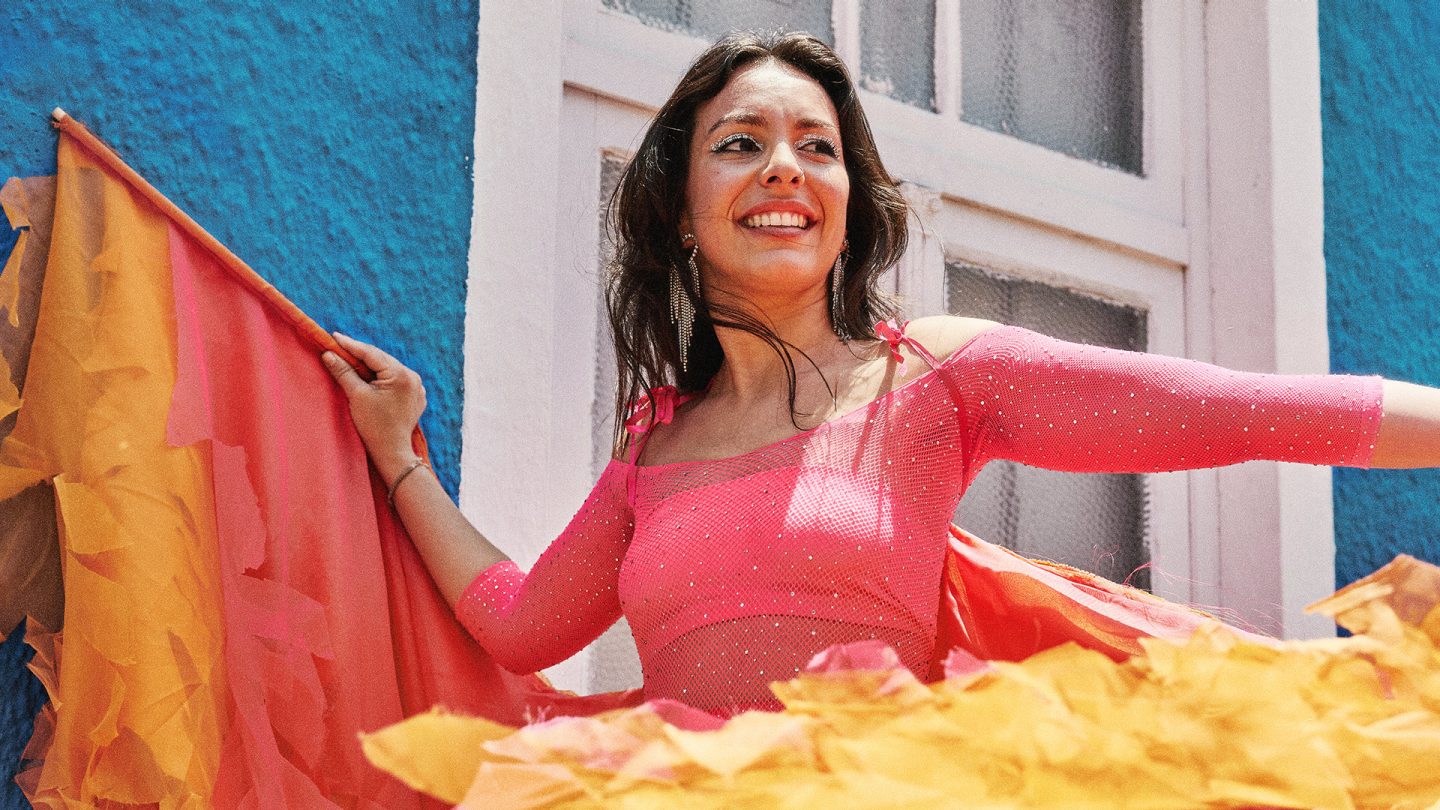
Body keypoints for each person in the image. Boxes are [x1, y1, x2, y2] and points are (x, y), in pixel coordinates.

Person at [321, 31, 1440, 718]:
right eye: (740, 141)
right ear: (679, 204)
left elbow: (1244, 412)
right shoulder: (653, 449)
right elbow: (520, 626)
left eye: (819, 147)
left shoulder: (933, 379)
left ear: (850, 203)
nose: (786, 169)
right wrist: (399, 460)